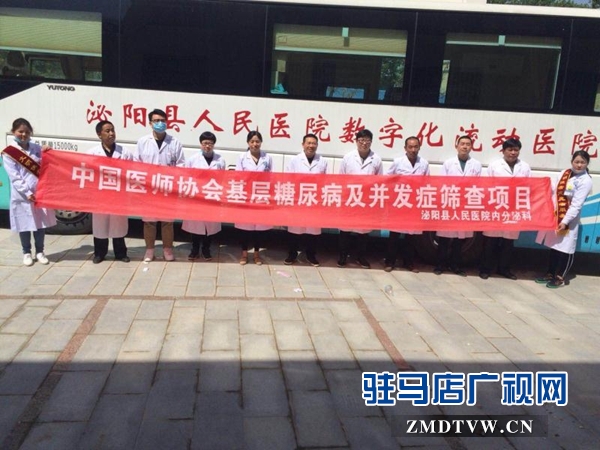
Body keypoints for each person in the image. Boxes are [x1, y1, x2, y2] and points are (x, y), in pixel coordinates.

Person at [2, 118, 56, 266]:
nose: (23, 134)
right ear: (13, 132)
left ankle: (40, 252)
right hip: (22, 194)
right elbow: (14, 176)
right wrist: (26, 192)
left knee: (40, 223)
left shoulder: (36, 148)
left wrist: (47, 150)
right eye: (20, 131)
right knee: (24, 224)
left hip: (39, 191)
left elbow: (47, 164)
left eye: (26, 132)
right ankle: (26, 252)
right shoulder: (9, 152)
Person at [535, 150, 592, 288]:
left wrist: (565, 221)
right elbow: (553, 189)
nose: (579, 165)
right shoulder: (564, 173)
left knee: (566, 248)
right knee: (554, 246)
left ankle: (560, 277)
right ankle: (550, 273)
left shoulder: (586, 181)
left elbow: (576, 204)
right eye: (577, 162)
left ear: (587, 163)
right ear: (572, 161)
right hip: (556, 215)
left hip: (569, 220)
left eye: (583, 162)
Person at [134, 108, 185, 262]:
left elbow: (181, 164)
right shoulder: (143, 142)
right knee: (149, 222)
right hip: (149, 189)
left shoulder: (174, 142)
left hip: (168, 188)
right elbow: (137, 164)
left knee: (167, 222)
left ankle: (167, 250)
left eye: (163, 120)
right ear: (150, 123)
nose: (160, 123)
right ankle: (149, 251)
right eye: (156, 121)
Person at [479, 138, 531, 280]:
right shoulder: (495, 165)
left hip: (514, 209)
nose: (513, 153)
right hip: (496, 207)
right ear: (503, 151)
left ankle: (504, 269)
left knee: (508, 242)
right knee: (490, 241)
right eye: (510, 150)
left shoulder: (525, 167)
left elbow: (528, 187)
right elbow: (486, 186)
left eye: (516, 150)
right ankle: (485, 269)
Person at [434, 135, 482, 276]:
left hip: (466, 204)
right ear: (457, 146)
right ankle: (440, 265)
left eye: (468, 144)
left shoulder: (476, 164)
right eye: (462, 144)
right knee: (444, 238)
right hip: (450, 203)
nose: (465, 147)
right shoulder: (449, 163)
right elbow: (442, 184)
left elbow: (478, 185)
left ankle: (455, 266)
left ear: (471, 147)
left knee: (460, 240)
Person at [88, 121, 135, 264]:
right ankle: (99, 253)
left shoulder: (124, 152)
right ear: (99, 134)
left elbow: (132, 172)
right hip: (100, 194)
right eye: (107, 131)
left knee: (118, 225)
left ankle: (121, 253)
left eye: (113, 130)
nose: (111, 134)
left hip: (118, 195)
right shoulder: (92, 153)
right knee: (100, 225)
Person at [337, 129, 383, 269]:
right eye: (361, 140)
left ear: (371, 142)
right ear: (356, 141)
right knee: (345, 230)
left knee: (363, 231)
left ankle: (360, 257)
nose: (364, 143)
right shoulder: (348, 157)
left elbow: (379, 180)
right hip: (350, 198)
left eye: (367, 140)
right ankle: (343, 256)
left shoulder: (376, 159)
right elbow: (341, 178)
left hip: (366, 200)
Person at [384, 136, 429, 272]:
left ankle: (408, 263)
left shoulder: (424, 163)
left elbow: (427, 182)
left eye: (416, 147)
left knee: (411, 236)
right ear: (405, 148)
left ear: (419, 148)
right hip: (399, 202)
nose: (413, 150)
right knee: (394, 235)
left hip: (415, 203)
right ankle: (389, 262)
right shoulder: (398, 162)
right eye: (410, 147)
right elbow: (388, 178)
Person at [284, 133, 328, 267]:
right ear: (303, 145)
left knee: (312, 230)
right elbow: (288, 179)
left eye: (314, 143)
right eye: (308, 143)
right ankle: (292, 254)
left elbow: (325, 181)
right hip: (298, 199)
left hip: (314, 200)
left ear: (317, 145)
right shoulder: (295, 160)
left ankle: (311, 255)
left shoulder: (322, 161)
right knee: (295, 229)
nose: (311, 146)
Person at [182, 131, 225, 261]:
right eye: (205, 143)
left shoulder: (220, 160)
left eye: (210, 143)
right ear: (200, 144)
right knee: (196, 225)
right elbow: (187, 177)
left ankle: (206, 249)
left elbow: (223, 178)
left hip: (212, 196)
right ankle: (194, 250)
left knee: (209, 226)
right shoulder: (193, 159)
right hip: (197, 197)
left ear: (214, 144)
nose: (207, 146)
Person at [234, 131, 273, 265]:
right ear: (248, 143)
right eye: (252, 141)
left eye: (257, 141)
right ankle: (244, 254)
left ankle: (256, 254)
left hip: (261, 196)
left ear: (261, 142)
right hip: (246, 196)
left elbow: (270, 176)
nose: (255, 144)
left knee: (259, 228)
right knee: (244, 227)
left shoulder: (268, 158)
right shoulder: (241, 157)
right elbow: (239, 177)